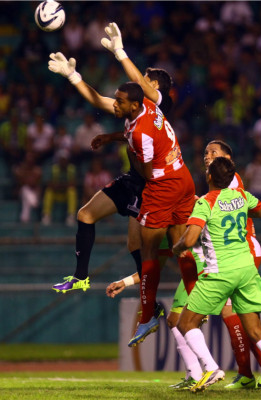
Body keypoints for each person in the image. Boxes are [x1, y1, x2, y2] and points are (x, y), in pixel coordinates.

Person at [48, 52, 197, 348]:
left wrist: (120, 52)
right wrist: (72, 76)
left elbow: (143, 162)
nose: (114, 103)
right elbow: (99, 101)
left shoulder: (150, 107)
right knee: (85, 214)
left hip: (151, 183)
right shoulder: (139, 112)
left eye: (119, 101)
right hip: (145, 178)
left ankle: (155, 307)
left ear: (142, 94)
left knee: (142, 246)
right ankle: (81, 277)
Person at [107, 140, 261, 390]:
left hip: (235, 256)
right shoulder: (209, 190)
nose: (208, 156)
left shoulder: (228, 183)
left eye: (214, 152)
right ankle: (205, 373)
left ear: (228, 159)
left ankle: (255, 372)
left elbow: (233, 212)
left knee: (236, 317)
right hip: (209, 260)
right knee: (180, 319)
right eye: (206, 152)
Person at [172, 157, 261, 393]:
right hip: (246, 270)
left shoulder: (205, 203)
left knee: (185, 323)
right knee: (256, 329)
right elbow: (259, 210)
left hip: (220, 272)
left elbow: (190, 238)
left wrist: (177, 247)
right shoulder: (242, 196)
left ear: (209, 177)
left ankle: (211, 367)